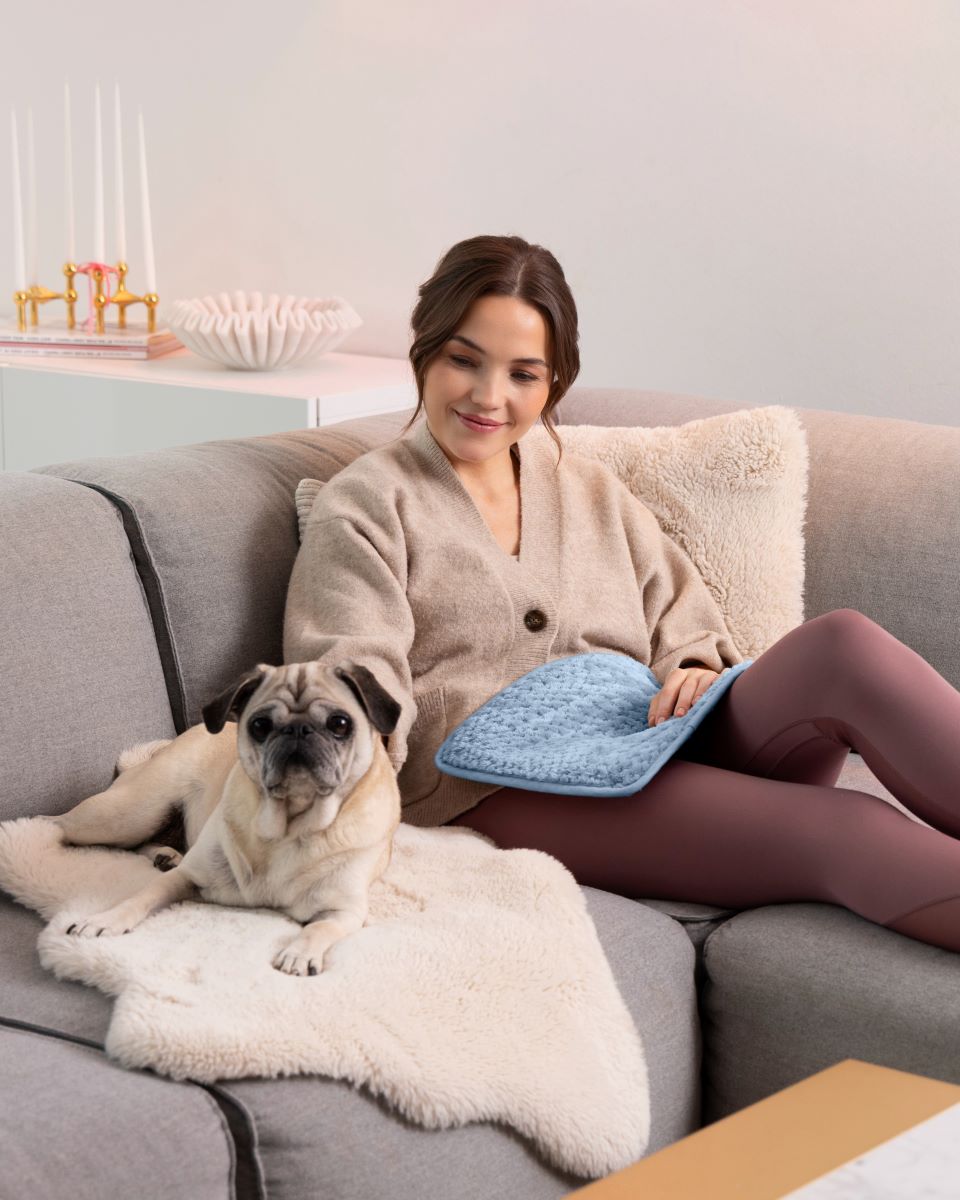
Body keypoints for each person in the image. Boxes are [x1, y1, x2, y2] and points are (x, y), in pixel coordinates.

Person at [283, 233, 960, 955]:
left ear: (554, 384)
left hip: (645, 737)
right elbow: (350, 676)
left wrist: (694, 668)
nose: (489, 397)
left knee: (842, 647)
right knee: (851, 829)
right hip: (493, 790)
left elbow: (684, 616)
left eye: (523, 374)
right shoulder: (367, 505)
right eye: (464, 361)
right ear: (424, 352)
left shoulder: (588, 489)